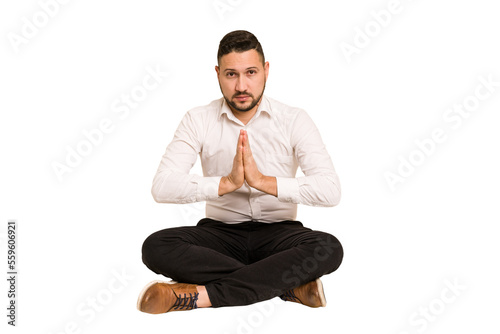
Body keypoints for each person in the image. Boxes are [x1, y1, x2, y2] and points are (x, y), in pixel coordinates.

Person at [137, 30, 343, 314]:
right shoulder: (198, 119)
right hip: (220, 238)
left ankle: (199, 296)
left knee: (328, 248)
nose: (242, 85)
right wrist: (225, 183)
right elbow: (162, 187)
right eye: (231, 74)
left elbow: (330, 190)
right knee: (156, 246)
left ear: (266, 71)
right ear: (218, 74)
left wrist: (264, 182)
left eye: (251, 72)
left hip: (279, 237)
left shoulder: (294, 119)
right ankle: (286, 286)